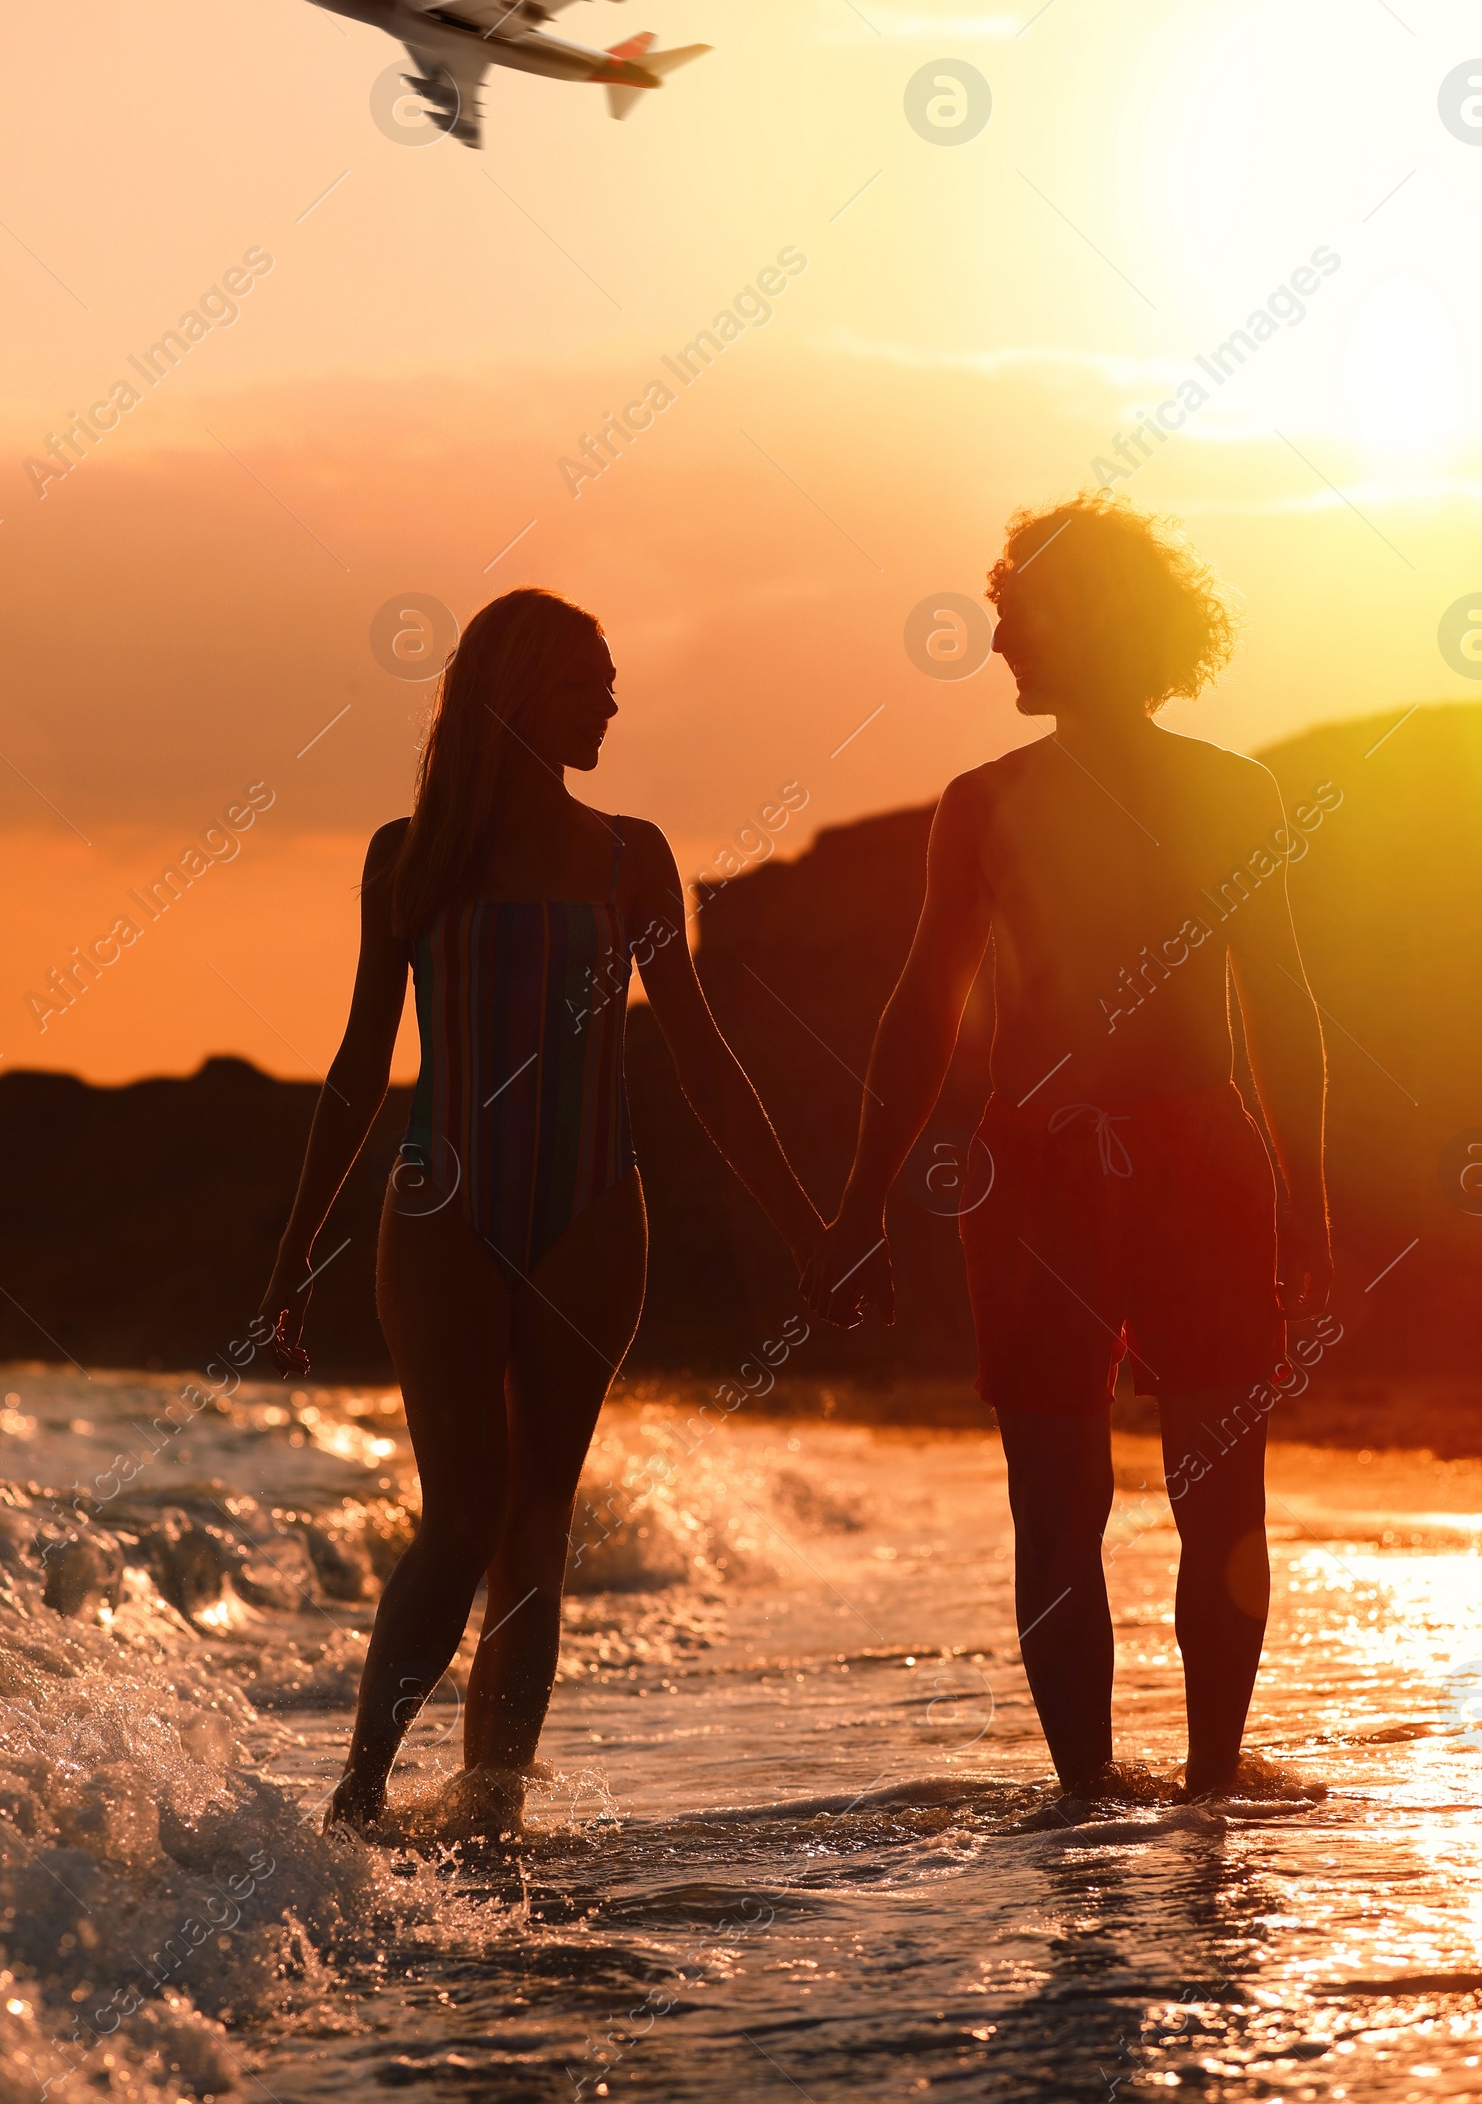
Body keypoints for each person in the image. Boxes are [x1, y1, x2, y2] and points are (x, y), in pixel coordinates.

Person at [261, 587, 823, 1839]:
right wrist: (293, 1254)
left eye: (612, 680)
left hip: (588, 1206)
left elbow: (704, 1061)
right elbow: (361, 1064)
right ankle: (354, 1805)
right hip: (441, 1204)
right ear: (513, 695)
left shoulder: (633, 856)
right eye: (584, 682)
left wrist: (806, 1230)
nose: (612, 703)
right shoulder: (408, 856)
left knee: (535, 1528)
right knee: (461, 1515)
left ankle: (488, 1817)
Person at [802, 497, 1332, 1813]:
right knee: (1076, 1504)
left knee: (1197, 1504)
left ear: (1080, 620)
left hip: (1191, 1164)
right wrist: (859, 1205)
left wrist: (1309, 1213)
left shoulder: (1224, 790)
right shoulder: (987, 804)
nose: (996, 645)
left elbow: (1283, 1007)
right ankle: (1104, 1798)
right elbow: (923, 1012)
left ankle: (1188, 1796)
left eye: (1014, 616)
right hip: (1045, 1172)